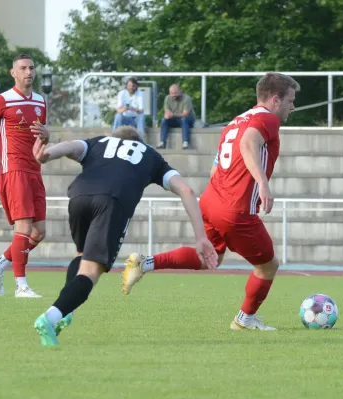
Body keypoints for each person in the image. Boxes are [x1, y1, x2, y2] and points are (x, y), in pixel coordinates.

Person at [123, 72, 300, 331]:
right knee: (268, 266)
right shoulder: (268, 119)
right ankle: (245, 319)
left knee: (210, 258)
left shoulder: (235, 122)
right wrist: (262, 183)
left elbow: (215, 169)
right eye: (290, 101)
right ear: (275, 99)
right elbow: (249, 143)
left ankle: (144, 263)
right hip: (235, 211)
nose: (293, 107)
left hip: (211, 200)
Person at [32, 126, 218, 346]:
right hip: (111, 201)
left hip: (79, 195)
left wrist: (46, 154)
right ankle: (50, 318)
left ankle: (65, 309)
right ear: (139, 141)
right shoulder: (151, 154)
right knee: (91, 271)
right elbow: (187, 191)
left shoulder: (99, 142)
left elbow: (71, 147)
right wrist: (200, 238)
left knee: (82, 255)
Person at [0, 53, 49, 298]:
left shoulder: (40, 101)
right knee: (24, 227)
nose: (29, 72)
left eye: (31, 68)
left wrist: (47, 135)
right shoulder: (2, 100)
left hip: (34, 171)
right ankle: (21, 286)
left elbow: (40, 139)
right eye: (23, 68)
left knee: (39, 233)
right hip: (13, 170)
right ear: (13, 72)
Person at [157, 84, 195, 150]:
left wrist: (172, 115)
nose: (174, 95)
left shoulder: (186, 98)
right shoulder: (167, 98)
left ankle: (185, 142)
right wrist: (168, 115)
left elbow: (185, 114)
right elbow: (167, 113)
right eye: (172, 93)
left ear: (180, 91)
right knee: (164, 120)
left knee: (184, 119)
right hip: (174, 119)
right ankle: (162, 142)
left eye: (175, 93)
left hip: (188, 119)